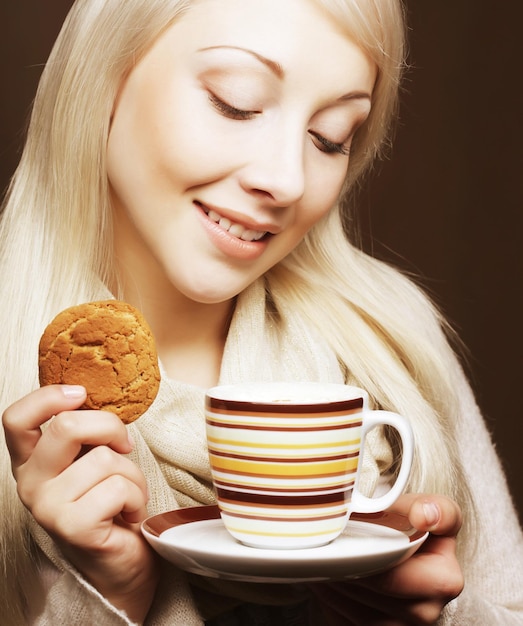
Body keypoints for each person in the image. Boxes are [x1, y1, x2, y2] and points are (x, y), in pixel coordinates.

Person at [0, 0, 522, 623]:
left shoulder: (389, 342)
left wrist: (441, 616)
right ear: (103, 78)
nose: (288, 181)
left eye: (331, 137)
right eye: (236, 102)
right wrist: (114, 595)